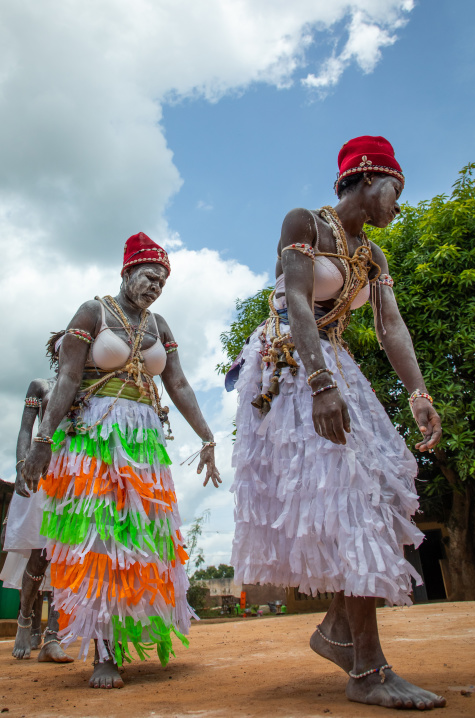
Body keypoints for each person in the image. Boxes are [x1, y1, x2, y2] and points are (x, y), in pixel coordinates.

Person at [229, 137, 446, 710]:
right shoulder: (305, 223)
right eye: (396, 192)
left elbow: (390, 326)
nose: (398, 206)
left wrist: (418, 394)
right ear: (367, 179)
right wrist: (321, 383)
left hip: (333, 362)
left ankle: (336, 633)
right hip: (289, 367)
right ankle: (367, 672)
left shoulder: (372, 256)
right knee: (351, 497)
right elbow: (297, 301)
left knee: (372, 493)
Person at [22, 232, 221, 689]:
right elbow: (69, 377)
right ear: (128, 271)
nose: (156, 286)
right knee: (102, 544)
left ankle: (124, 635)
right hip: (94, 441)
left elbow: (180, 384)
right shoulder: (93, 313)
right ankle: (103, 654)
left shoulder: (161, 325)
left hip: (144, 443)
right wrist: (43, 439)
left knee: (141, 546)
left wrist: (207, 436)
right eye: (150, 276)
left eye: (163, 281)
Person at [1, 351, 74, 663]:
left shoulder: (87, 388)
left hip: (76, 475)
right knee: (41, 554)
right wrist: (21, 465)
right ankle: (25, 622)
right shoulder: (40, 386)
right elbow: (25, 429)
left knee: (66, 556)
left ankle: (52, 636)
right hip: (42, 472)